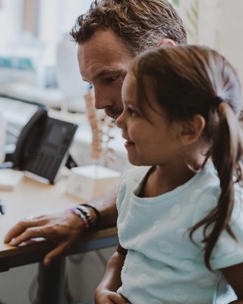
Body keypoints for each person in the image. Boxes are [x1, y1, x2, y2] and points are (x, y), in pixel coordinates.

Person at [4, 0, 187, 265]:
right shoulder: (162, 142)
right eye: (90, 84)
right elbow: (140, 182)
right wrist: (85, 214)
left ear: (166, 58)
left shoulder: (228, 150)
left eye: (111, 78)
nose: (99, 103)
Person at [95, 45, 243, 303]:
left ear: (188, 129)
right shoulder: (131, 184)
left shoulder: (215, 203)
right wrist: (105, 289)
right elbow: (123, 254)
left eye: (134, 111)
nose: (119, 120)